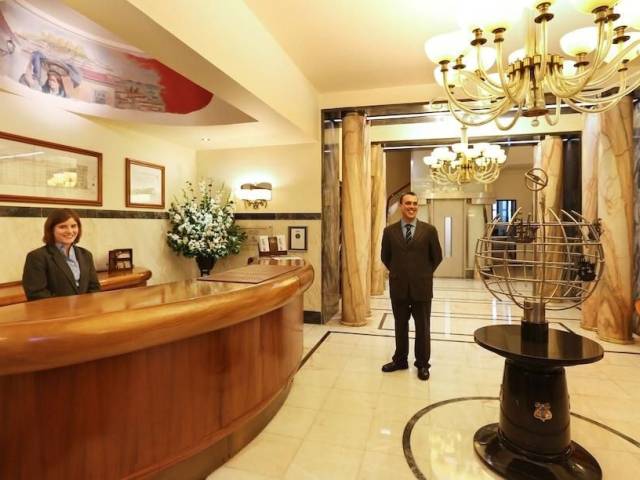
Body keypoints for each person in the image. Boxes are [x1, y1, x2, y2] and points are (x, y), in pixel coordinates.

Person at [380, 192, 442, 381]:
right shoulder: (389, 232)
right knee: (400, 325)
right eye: (408, 203)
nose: (412, 207)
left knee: (423, 327)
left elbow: (437, 257)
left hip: (421, 288)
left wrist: (422, 274)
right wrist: (400, 273)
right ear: (401, 206)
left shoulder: (429, 230)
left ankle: (422, 364)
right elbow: (385, 257)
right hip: (398, 287)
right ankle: (400, 360)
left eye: (415, 203)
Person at [22, 209, 100, 301]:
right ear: (51, 229)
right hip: (54, 310)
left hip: (85, 308)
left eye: (73, 226)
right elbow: (36, 294)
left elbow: (94, 288)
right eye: (62, 227)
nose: (70, 231)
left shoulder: (86, 255)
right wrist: (69, 307)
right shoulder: (36, 257)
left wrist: (85, 305)